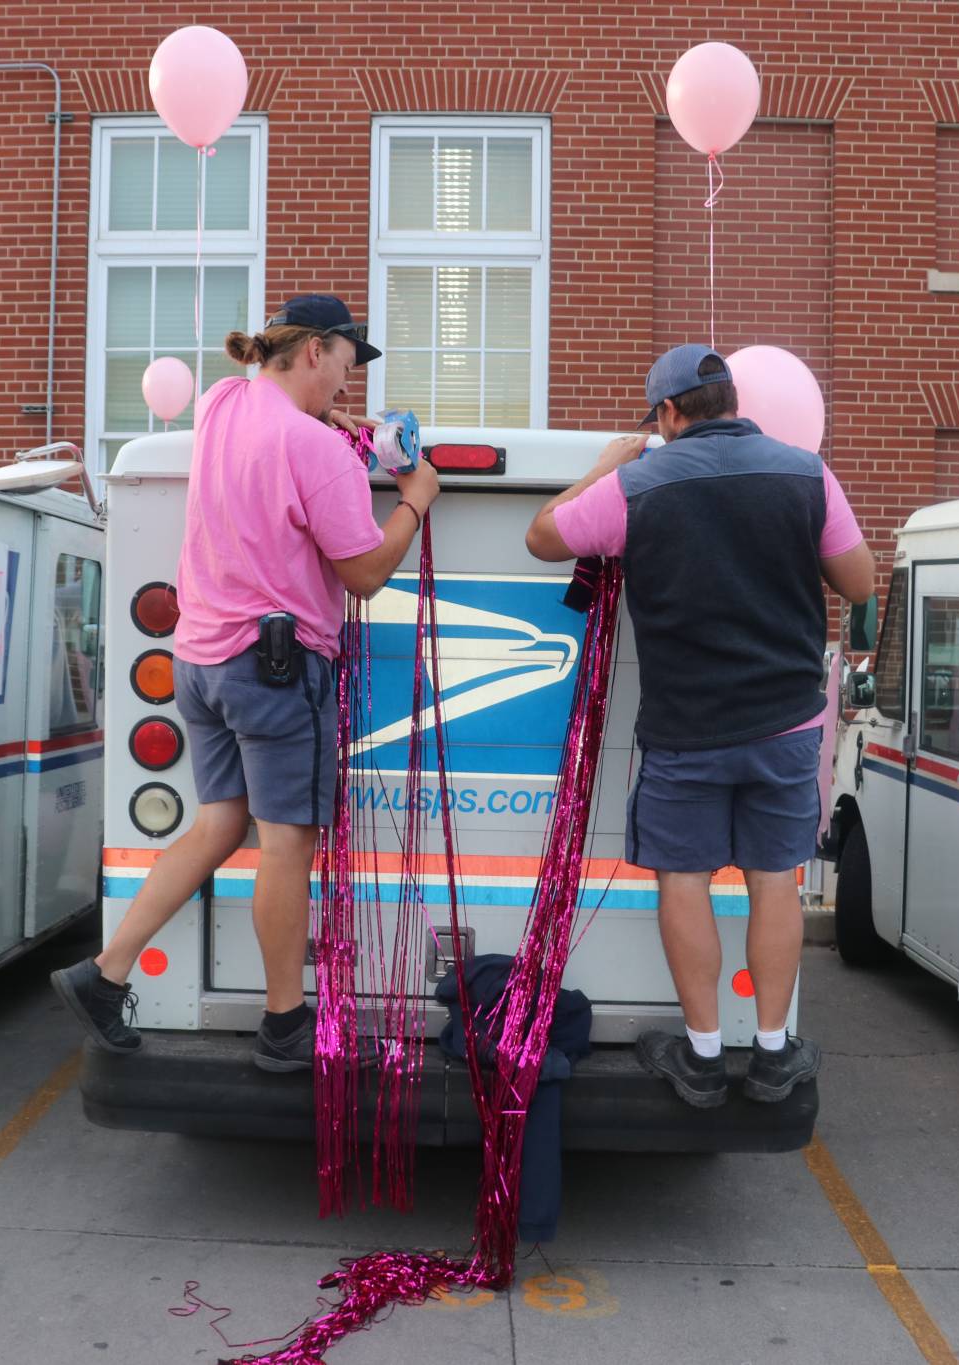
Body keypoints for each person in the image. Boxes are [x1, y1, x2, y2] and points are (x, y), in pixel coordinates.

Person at [53, 294, 440, 1072]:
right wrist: (414, 502)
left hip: (200, 662)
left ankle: (103, 972)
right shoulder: (314, 448)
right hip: (274, 670)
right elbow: (364, 573)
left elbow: (280, 419)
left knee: (218, 823)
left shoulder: (223, 403)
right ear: (312, 352)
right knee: (288, 843)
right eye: (343, 363)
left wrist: (330, 427)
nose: (345, 383)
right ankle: (284, 1023)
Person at [524, 344, 873, 1108]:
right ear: (733, 401)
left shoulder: (638, 484)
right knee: (773, 881)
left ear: (671, 414)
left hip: (687, 730)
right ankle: (776, 1054)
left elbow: (543, 536)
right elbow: (857, 581)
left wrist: (606, 465)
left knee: (684, 879)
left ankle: (705, 1055)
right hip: (785, 725)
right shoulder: (805, 473)